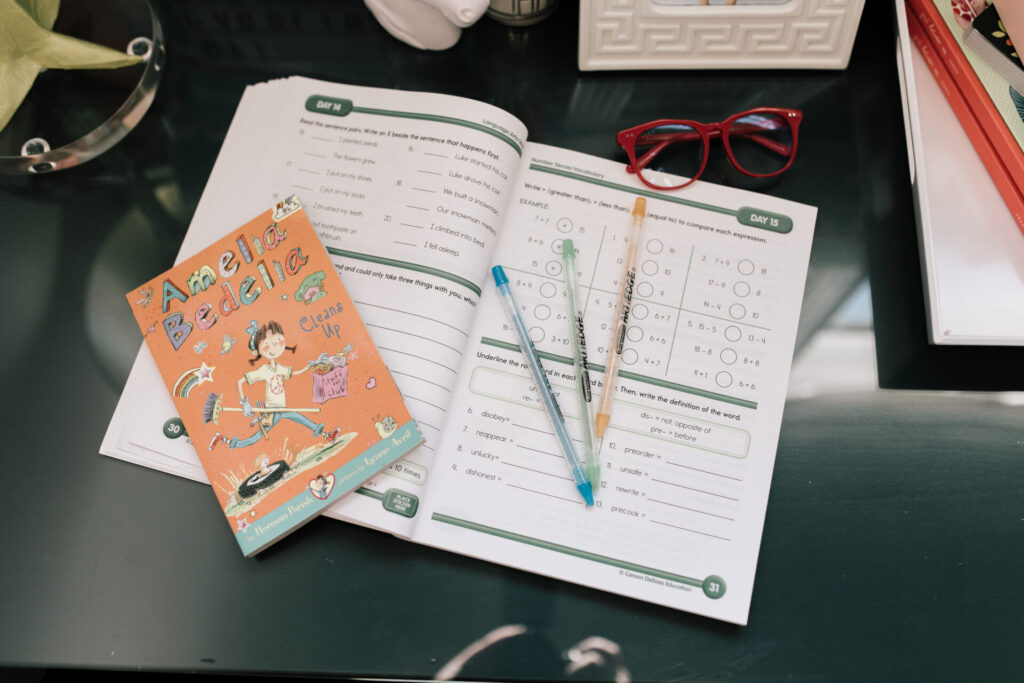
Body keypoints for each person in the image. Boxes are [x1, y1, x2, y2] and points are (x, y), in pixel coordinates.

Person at [209, 321, 340, 450]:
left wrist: (311, 364)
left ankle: (326, 435)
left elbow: (295, 373)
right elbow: (240, 382)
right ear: (258, 351)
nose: (274, 347)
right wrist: (245, 403)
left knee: (299, 417)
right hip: (271, 411)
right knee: (256, 437)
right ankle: (224, 440)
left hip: (281, 409)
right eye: (267, 344)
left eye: (277, 341)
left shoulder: (279, 368)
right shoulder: (264, 370)